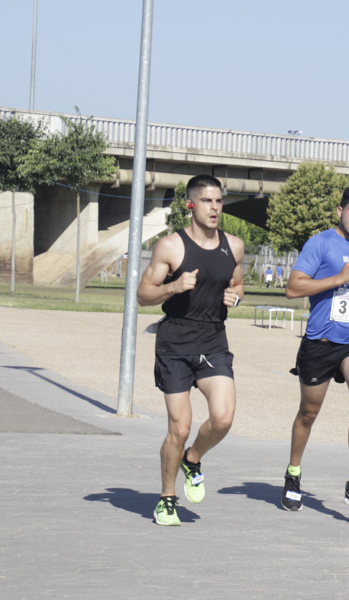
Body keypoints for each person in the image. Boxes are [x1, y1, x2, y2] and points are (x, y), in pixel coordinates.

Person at [137, 175, 244, 526]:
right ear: (191, 205)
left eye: (219, 202)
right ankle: (167, 498)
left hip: (213, 339)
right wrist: (172, 287)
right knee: (179, 428)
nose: (215, 208)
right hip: (175, 343)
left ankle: (193, 459)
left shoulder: (235, 246)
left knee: (223, 418)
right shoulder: (171, 247)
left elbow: (237, 283)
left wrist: (237, 297)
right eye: (207, 201)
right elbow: (143, 294)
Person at [280, 184, 349, 513]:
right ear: (340, 211)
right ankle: (293, 473)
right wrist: (338, 278)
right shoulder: (320, 243)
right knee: (308, 414)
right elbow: (293, 288)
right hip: (321, 342)